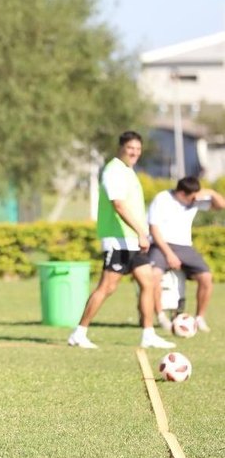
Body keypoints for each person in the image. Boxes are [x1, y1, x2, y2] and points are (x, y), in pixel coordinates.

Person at [67, 131, 175, 350]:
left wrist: (140, 234)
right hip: (118, 239)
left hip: (133, 241)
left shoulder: (128, 171)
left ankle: (148, 334)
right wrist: (141, 232)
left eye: (137, 149)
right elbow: (118, 205)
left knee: (148, 283)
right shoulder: (113, 170)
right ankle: (79, 333)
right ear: (121, 148)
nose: (134, 152)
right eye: (130, 148)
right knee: (107, 288)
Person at [148, 176, 225, 332]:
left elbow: (221, 205)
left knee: (206, 277)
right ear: (181, 193)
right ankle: (161, 316)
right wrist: (169, 254)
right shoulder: (162, 199)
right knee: (154, 275)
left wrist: (209, 191)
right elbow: (154, 229)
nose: (194, 200)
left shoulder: (194, 199)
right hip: (161, 244)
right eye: (191, 197)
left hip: (185, 246)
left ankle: (199, 318)